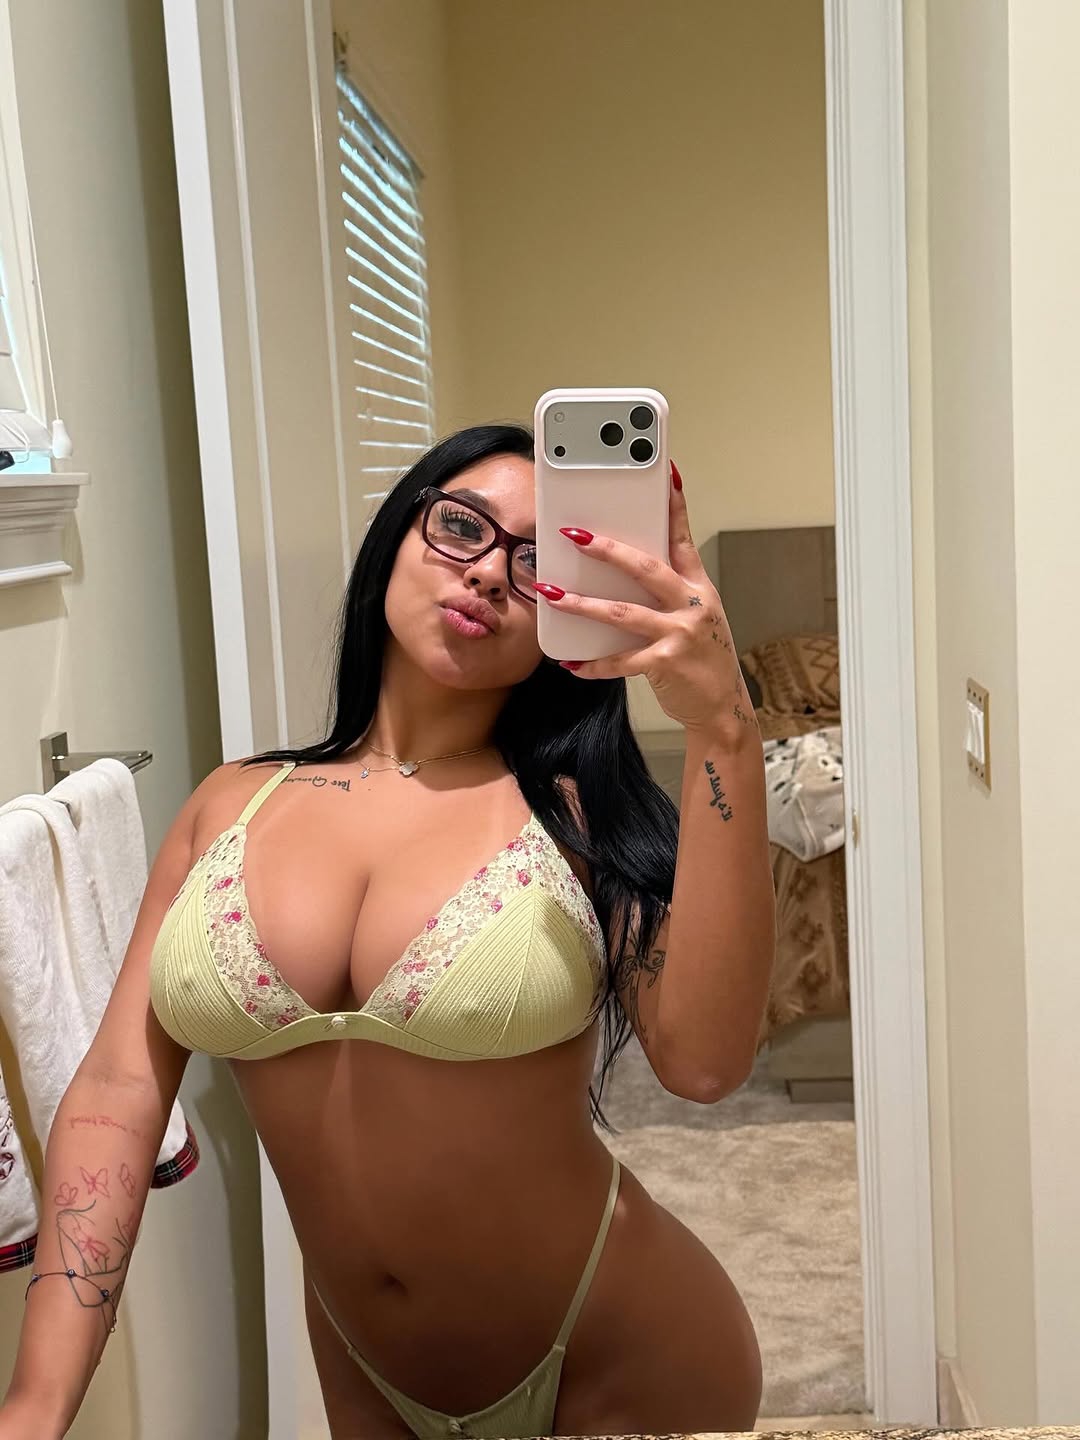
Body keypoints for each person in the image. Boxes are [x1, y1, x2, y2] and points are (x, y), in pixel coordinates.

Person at [0, 426, 775, 1439]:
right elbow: (116, 1090)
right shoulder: (230, 804)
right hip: (367, 1375)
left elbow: (704, 1065)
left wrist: (724, 727)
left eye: (537, 562)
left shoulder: (578, 818)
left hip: (616, 1353)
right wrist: (34, 1402)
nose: (488, 573)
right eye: (464, 527)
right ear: (399, 535)